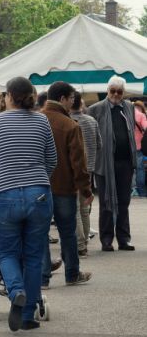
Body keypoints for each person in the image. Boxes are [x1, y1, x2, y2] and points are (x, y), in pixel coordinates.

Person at [0, 77, 56, 331]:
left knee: (7, 252)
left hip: (5, 194)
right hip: (39, 194)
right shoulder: (42, 120)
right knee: (34, 255)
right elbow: (52, 159)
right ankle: (27, 316)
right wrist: (39, 180)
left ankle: (15, 291)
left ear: (9, 96)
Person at [41, 81, 93, 288]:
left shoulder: (36, 120)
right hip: (64, 187)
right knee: (67, 232)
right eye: (71, 98)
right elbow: (78, 163)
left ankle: (43, 276)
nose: (73, 102)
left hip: (38, 186)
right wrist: (86, 189)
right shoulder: (70, 125)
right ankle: (72, 273)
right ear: (62, 98)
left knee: (40, 232)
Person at [88, 76, 137, 251]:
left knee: (124, 202)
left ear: (123, 92)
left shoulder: (129, 107)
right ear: (107, 91)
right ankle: (106, 240)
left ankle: (124, 239)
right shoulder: (95, 109)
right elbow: (90, 137)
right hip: (104, 163)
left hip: (125, 162)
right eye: (113, 91)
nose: (116, 94)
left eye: (119, 91)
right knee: (106, 202)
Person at [70, 92, 102, 257]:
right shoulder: (91, 121)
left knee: (75, 207)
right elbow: (99, 144)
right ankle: (85, 241)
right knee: (84, 207)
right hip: (89, 167)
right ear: (81, 104)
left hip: (73, 168)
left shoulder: (68, 121)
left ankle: (80, 243)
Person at [133, 101, 147, 197]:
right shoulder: (141, 115)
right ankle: (141, 191)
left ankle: (131, 190)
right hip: (138, 146)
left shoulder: (124, 114)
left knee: (128, 169)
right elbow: (146, 127)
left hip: (126, 147)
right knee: (140, 169)